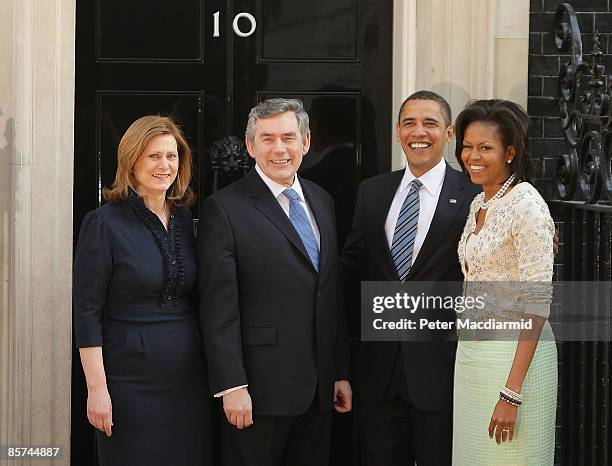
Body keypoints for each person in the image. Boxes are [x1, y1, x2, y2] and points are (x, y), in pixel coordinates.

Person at [198, 98, 352, 466]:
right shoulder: (224, 208)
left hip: (319, 391)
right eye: (267, 139)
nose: (279, 148)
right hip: (258, 393)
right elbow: (217, 308)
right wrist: (232, 386)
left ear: (306, 142)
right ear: (251, 146)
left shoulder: (322, 200)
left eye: (288, 137)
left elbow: (329, 294)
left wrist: (340, 372)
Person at [341, 90, 481, 465]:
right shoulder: (372, 192)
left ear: (449, 133)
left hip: (442, 371)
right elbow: (352, 270)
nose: (419, 132)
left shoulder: (474, 197)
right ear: (398, 131)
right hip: (377, 372)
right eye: (409, 123)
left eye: (430, 123)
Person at [73, 115, 214, 465]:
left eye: (172, 156)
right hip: (128, 383)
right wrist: (97, 390)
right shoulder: (104, 223)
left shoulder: (184, 219)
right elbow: (86, 312)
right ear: (132, 161)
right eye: (154, 156)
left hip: (188, 381)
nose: (164, 165)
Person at [452, 99, 557, 465]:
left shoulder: (526, 203)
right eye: (467, 146)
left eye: (485, 148)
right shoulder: (479, 203)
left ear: (510, 152)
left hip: (514, 362)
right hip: (472, 356)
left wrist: (512, 393)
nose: (472, 156)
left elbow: (537, 303)